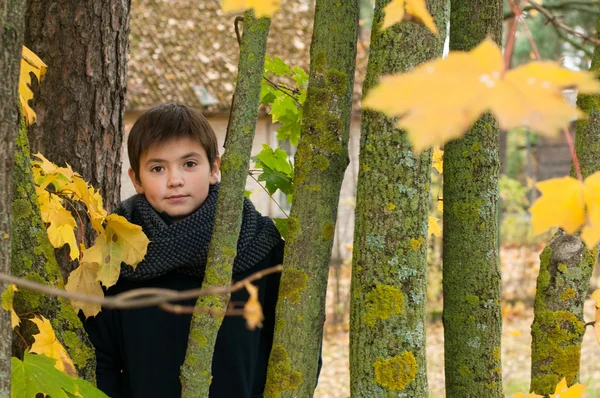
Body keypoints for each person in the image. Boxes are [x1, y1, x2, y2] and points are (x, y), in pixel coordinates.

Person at [83, 103, 284, 398]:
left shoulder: (257, 243)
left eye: (189, 164)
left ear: (215, 168)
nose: (174, 179)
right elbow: (99, 360)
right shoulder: (116, 253)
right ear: (136, 179)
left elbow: (290, 345)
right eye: (157, 168)